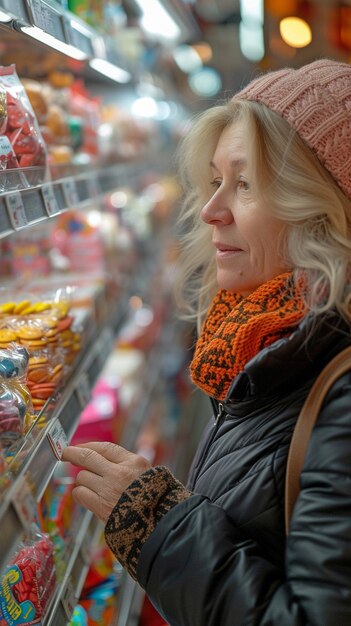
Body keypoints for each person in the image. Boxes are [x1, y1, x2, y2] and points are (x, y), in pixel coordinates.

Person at [62, 58, 351, 625]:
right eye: (215, 180)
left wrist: (161, 523)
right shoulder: (272, 344)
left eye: (244, 184)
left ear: (324, 209)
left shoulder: (335, 388)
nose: (211, 210)